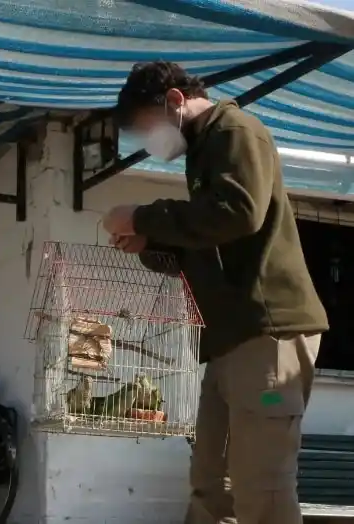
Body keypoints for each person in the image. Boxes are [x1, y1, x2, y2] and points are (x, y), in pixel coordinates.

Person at [103, 61, 328, 524]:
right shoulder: (203, 151)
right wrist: (151, 243)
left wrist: (143, 216)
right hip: (228, 338)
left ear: (175, 100)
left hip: (268, 333)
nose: (149, 142)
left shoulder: (235, 131)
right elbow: (209, 241)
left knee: (261, 483)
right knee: (211, 479)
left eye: (148, 127)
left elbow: (237, 214)